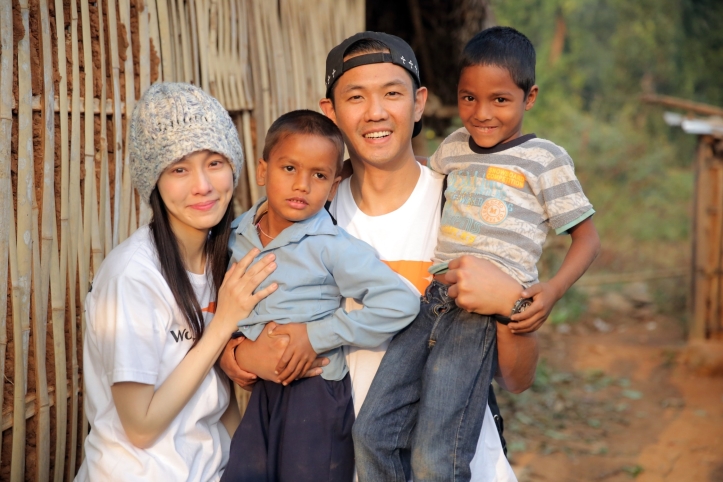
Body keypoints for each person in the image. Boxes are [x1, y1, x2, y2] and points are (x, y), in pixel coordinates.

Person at [221, 32, 539, 482]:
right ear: (329, 110)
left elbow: (518, 378)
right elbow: (241, 326)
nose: (376, 112)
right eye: (355, 96)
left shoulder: (465, 205)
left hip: (461, 467)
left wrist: (513, 304)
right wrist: (238, 355)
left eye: (392, 93)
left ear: (419, 102)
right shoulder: (307, 215)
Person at [353, 27, 601, 482]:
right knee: (371, 432)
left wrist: (552, 290)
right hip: (431, 302)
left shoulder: (546, 160)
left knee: (434, 458)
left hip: (480, 317)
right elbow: (416, 175)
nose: (482, 114)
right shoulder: (452, 148)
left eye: (500, 100)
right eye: (469, 99)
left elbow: (587, 237)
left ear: (530, 97)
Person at [77, 83, 279, 481]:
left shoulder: (224, 261)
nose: (202, 185)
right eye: (179, 169)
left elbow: (218, 401)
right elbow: (141, 425)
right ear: (154, 182)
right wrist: (223, 324)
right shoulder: (132, 277)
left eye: (215, 163)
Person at [220, 110, 420, 482]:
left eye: (319, 175)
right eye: (289, 169)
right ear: (263, 171)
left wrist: (316, 336)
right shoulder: (235, 235)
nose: (302, 185)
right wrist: (230, 350)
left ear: (332, 188)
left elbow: (400, 303)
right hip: (262, 389)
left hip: (314, 394)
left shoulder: (331, 245)